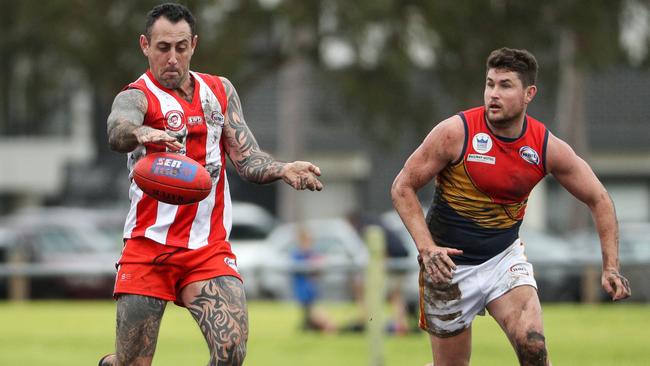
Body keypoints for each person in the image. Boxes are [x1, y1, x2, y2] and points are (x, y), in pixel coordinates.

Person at [99, 3, 322, 366]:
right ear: (145, 45)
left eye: (181, 47)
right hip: (148, 247)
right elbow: (117, 130)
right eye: (163, 47)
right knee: (132, 364)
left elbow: (247, 159)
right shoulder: (136, 96)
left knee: (231, 351)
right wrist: (142, 130)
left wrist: (282, 169)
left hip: (207, 249)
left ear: (194, 45)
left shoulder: (219, 92)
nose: (172, 57)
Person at [390, 47, 631, 366]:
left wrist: (611, 265)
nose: (493, 93)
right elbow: (402, 187)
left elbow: (599, 199)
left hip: (503, 259)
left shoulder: (545, 146)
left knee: (534, 348)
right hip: (447, 268)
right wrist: (427, 249)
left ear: (529, 93)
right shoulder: (455, 133)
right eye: (490, 84)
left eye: (505, 85)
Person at [291, 227, 336, 333]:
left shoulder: (311, 254)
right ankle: (310, 326)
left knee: (312, 312)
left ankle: (310, 326)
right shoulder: (298, 255)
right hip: (304, 291)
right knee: (308, 311)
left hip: (311, 291)